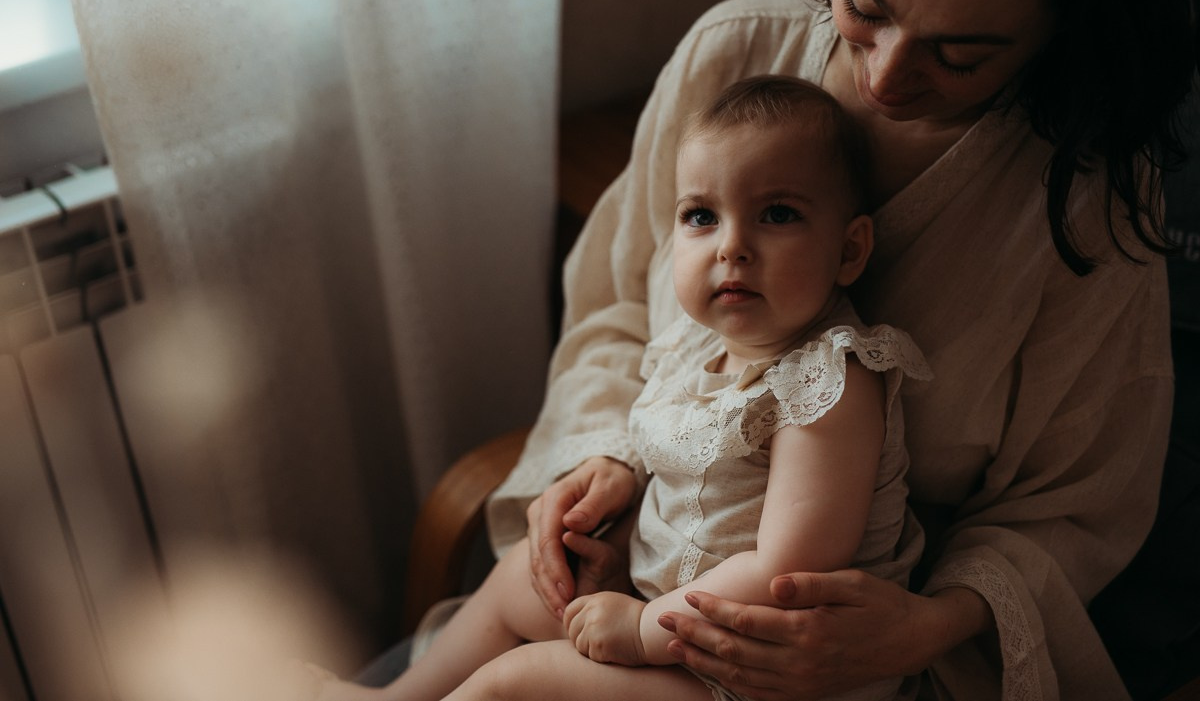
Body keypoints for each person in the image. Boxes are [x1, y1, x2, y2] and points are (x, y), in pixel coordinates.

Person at [483, 0, 1200, 699]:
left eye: (959, 56)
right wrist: (609, 462)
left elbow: (1071, 509)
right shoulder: (731, 56)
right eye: (864, 6)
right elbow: (617, 313)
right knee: (507, 605)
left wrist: (921, 627)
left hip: (849, 650)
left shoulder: (1082, 204)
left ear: (1057, 32)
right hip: (644, 562)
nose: (886, 76)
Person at [312, 76, 931, 701]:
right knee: (514, 583)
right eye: (702, 216)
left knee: (513, 683)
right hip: (668, 614)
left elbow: (784, 574)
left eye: (778, 214)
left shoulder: (830, 382)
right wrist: (623, 549)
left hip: (757, 669)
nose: (732, 247)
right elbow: (691, 489)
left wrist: (640, 628)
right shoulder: (695, 346)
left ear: (849, 251)